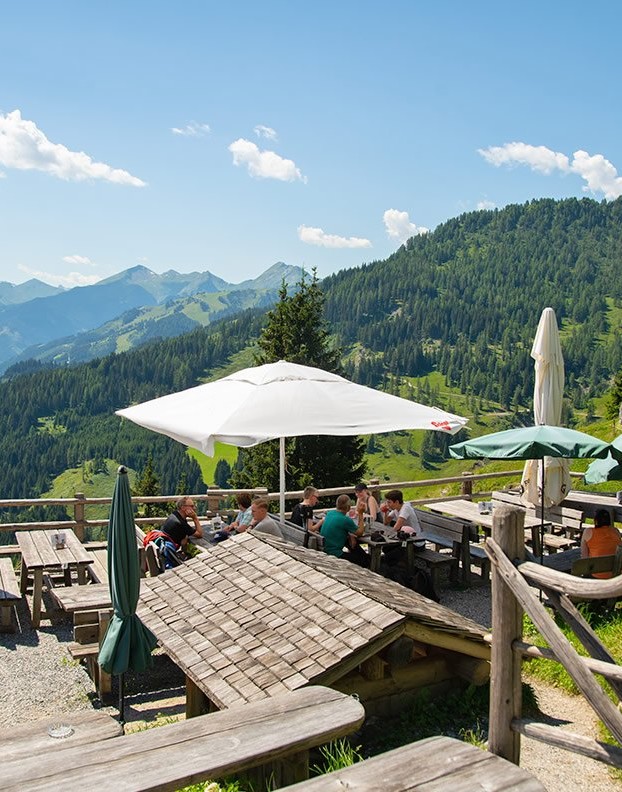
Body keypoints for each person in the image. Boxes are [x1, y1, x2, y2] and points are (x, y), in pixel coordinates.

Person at [320, 494, 369, 567]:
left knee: (356, 549)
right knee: (365, 560)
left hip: (325, 549)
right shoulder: (345, 520)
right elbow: (360, 532)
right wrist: (361, 513)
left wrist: (350, 535)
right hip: (334, 554)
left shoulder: (330, 513)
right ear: (348, 507)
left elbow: (339, 527)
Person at [580, 509, 622, 579]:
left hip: (596, 575)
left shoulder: (588, 532)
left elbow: (584, 558)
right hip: (615, 574)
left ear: (596, 520)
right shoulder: (616, 531)